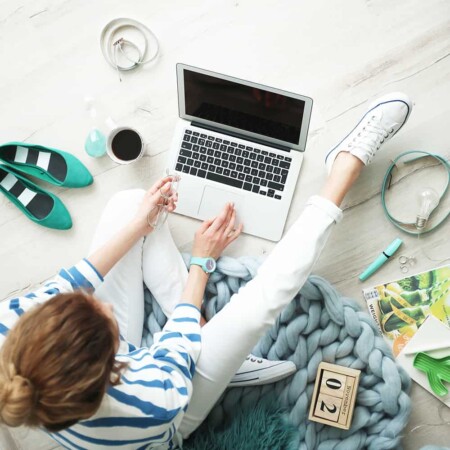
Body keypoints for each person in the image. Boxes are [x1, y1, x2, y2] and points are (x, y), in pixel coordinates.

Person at [0, 92, 412, 449]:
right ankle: (345, 166)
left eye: (88, 306)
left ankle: (218, 347)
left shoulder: (8, 325)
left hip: (116, 371)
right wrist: (202, 260)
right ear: (114, 360)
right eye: (106, 320)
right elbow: (178, 341)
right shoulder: (150, 404)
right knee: (258, 304)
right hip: (174, 416)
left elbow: (78, 279)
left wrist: (140, 224)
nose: (102, 304)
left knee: (128, 203)